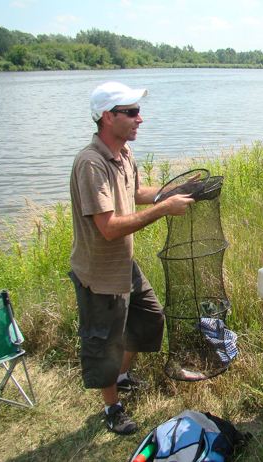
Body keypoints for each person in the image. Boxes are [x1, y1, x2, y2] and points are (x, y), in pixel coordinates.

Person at [69, 82, 195, 435]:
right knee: (105, 343)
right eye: (132, 112)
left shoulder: (124, 154)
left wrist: (174, 191)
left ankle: (121, 377)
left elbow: (137, 193)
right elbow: (108, 228)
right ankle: (112, 407)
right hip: (99, 272)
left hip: (124, 265)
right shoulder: (91, 163)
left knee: (151, 318)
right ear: (108, 118)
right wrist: (165, 210)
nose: (140, 118)